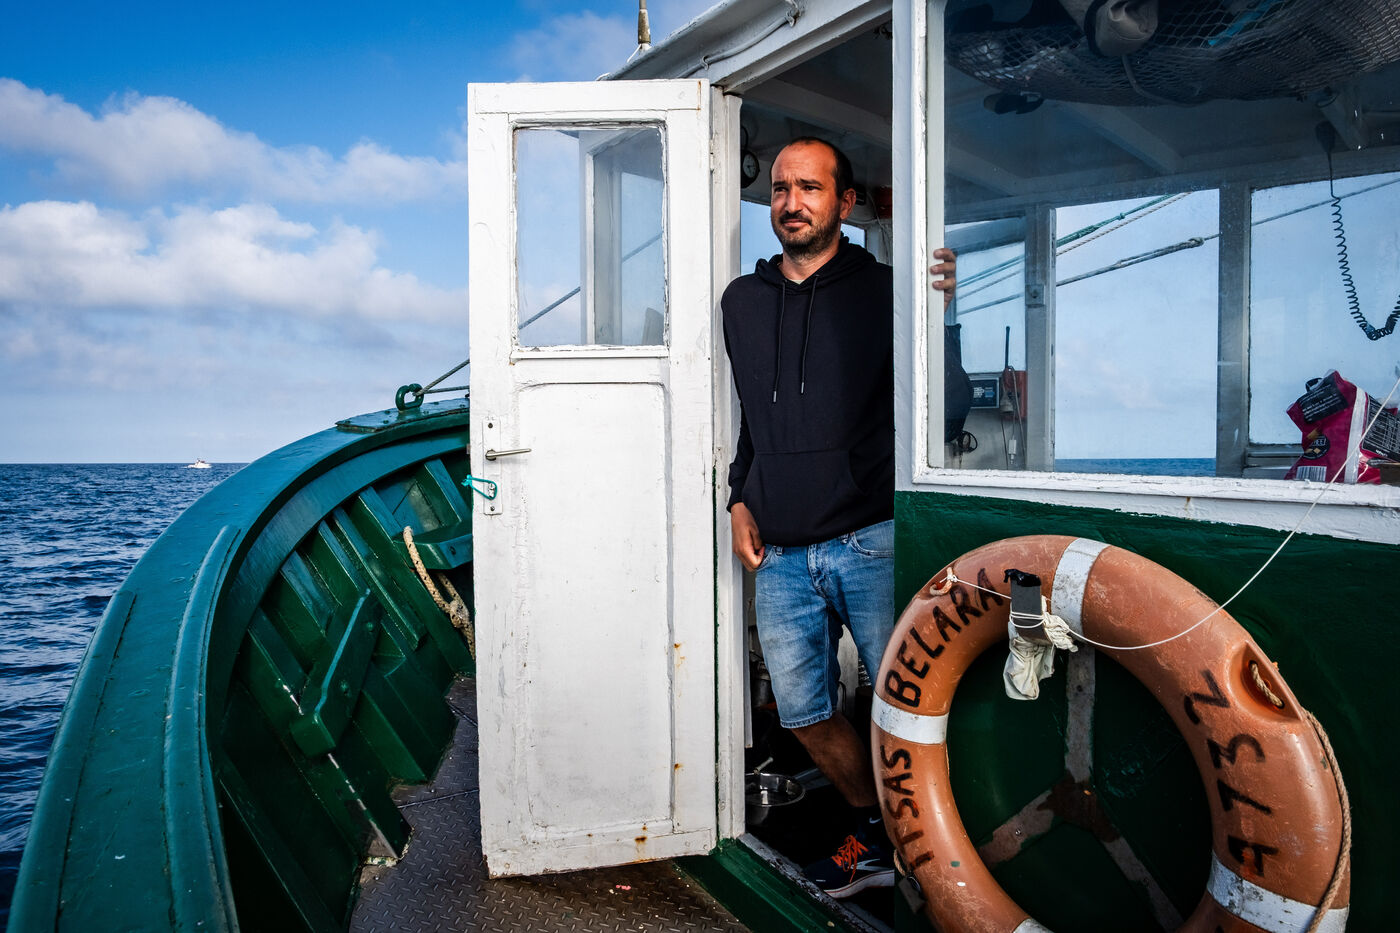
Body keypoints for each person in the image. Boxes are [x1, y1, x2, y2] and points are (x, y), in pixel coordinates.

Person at [722, 136, 955, 898]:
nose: (791, 202)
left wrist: (942, 315)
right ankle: (875, 830)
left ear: (845, 203)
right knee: (803, 714)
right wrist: (739, 496)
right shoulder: (741, 303)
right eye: (781, 188)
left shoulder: (887, 290)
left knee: (907, 710)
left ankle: (936, 853)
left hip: (871, 539)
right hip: (782, 553)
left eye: (810, 188)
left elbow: (945, 404)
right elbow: (754, 419)